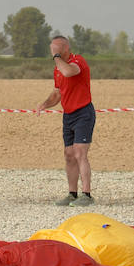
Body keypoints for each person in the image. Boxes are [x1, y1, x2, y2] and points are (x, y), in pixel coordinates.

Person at [37, 34, 95, 207]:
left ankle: (87, 194)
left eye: (56, 48)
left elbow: (69, 71)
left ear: (65, 48)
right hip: (68, 114)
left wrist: (56, 57)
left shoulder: (77, 61)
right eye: (52, 48)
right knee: (69, 155)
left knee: (79, 152)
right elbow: (57, 93)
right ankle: (72, 194)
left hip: (83, 112)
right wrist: (44, 104)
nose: (53, 52)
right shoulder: (57, 69)